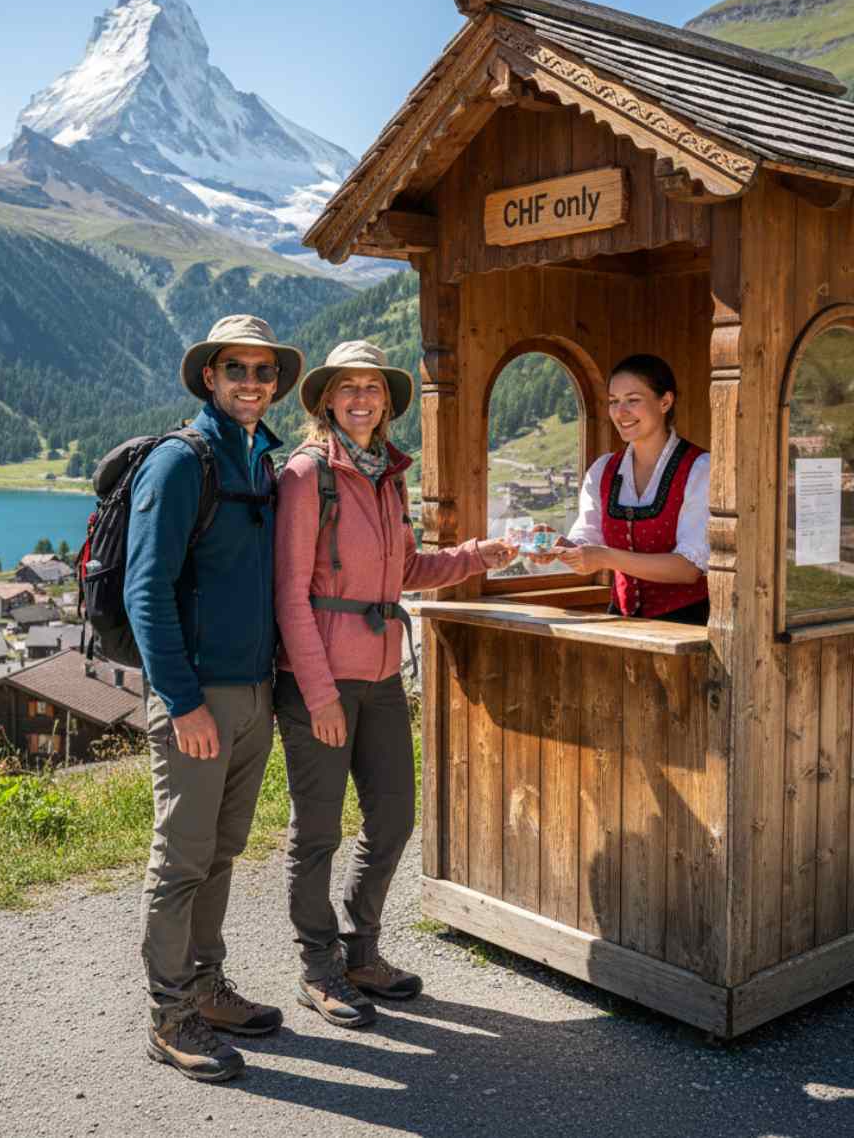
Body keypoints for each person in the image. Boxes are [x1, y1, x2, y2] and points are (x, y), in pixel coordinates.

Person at [273, 340, 517, 1028]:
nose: (360, 398)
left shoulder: (388, 475)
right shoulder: (305, 475)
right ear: (326, 399)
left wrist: (475, 556)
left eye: (372, 387)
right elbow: (290, 594)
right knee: (316, 832)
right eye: (347, 387)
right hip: (319, 679)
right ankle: (318, 971)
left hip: (380, 677)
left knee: (394, 818)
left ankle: (361, 953)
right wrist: (318, 694)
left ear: (386, 401)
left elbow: (404, 569)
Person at [125, 315, 304, 1082]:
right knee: (182, 859)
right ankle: (169, 1015)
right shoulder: (180, 462)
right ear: (210, 376)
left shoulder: (263, 458)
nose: (253, 384)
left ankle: (204, 985)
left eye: (265, 373)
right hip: (197, 698)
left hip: (253, 692)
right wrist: (182, 699)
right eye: (238, 370)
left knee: (223, 852)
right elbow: (145, 591)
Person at [536, 353, 710, 625]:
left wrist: (605, 557)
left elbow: (689, 569)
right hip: (621, 624)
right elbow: (588, 542)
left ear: (665, 401)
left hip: (688, 627)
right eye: (614, 402)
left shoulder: (700, 469)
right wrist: (557, 545)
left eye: (633, 400)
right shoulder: (603, 470)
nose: (620, 412)